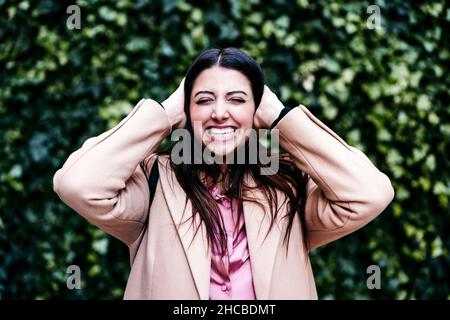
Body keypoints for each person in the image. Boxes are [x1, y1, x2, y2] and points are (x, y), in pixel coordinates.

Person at [53, 47, 394, 300]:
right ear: (186, 112)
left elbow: (370, 194)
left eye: (236, 99)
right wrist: (167, 113)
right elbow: (78, 184)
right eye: (203, 100)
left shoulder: (288, 185)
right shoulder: (154, 180)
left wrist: (281, 117)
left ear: (257, 110)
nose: (219, 113)